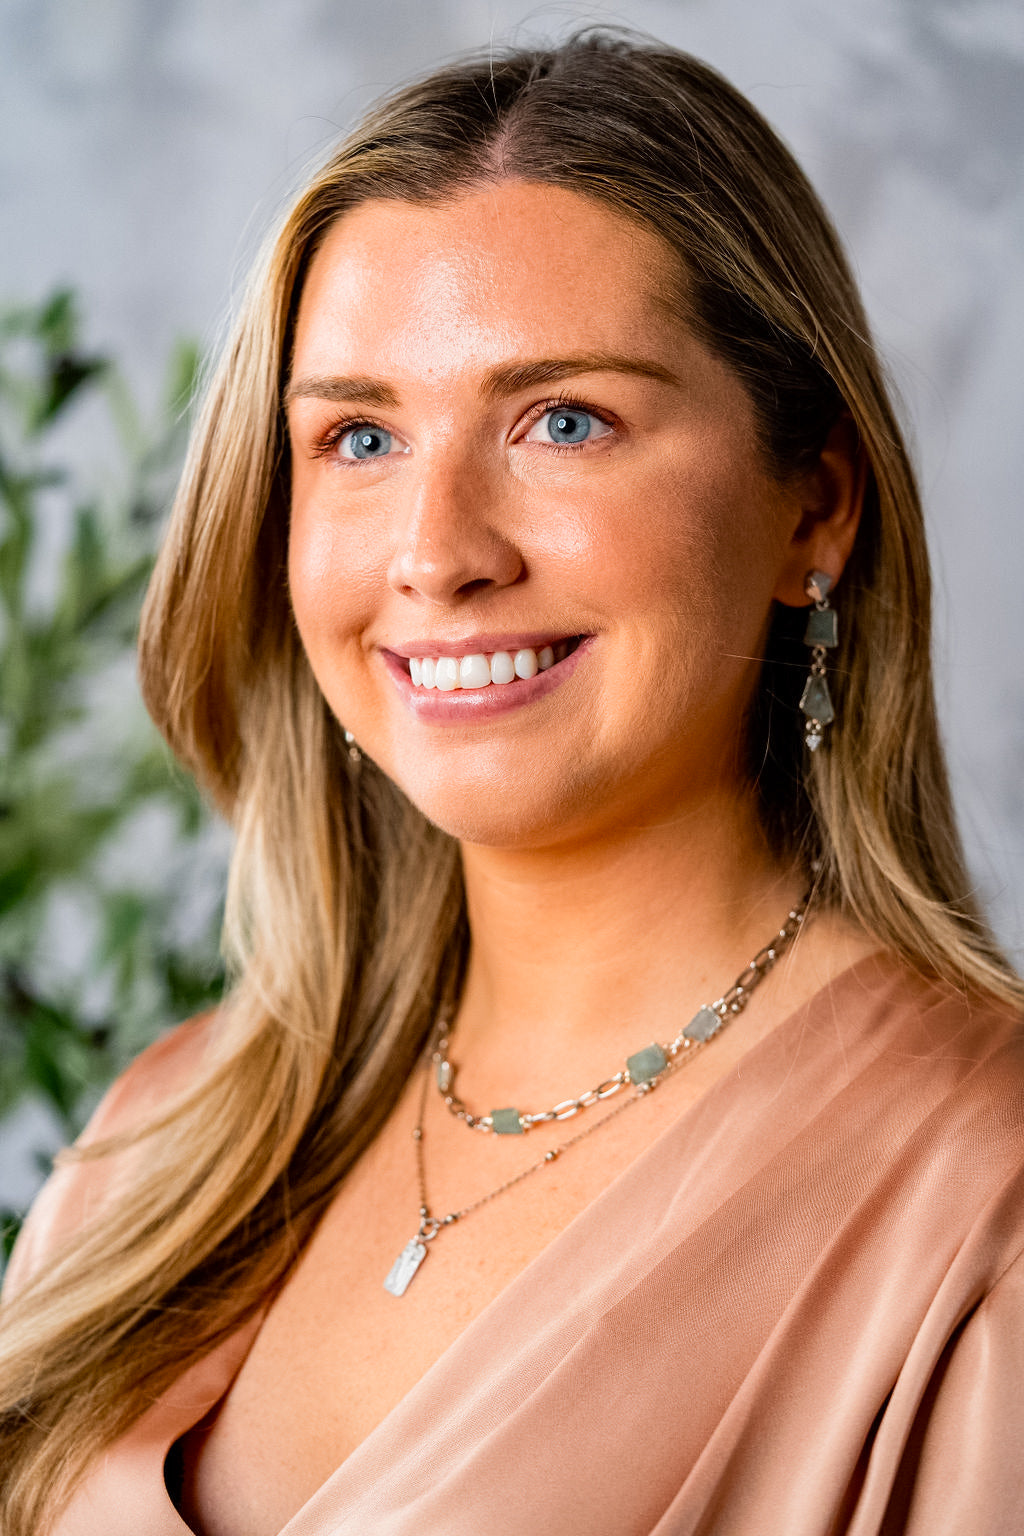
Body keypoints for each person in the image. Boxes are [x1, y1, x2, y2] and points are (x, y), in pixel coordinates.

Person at [2, 28, 1023, 1536]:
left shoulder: (980, 1212)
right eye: (356, 435)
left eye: (563, 421)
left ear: (814, 503)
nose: (436, 551)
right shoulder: (166, 1141)